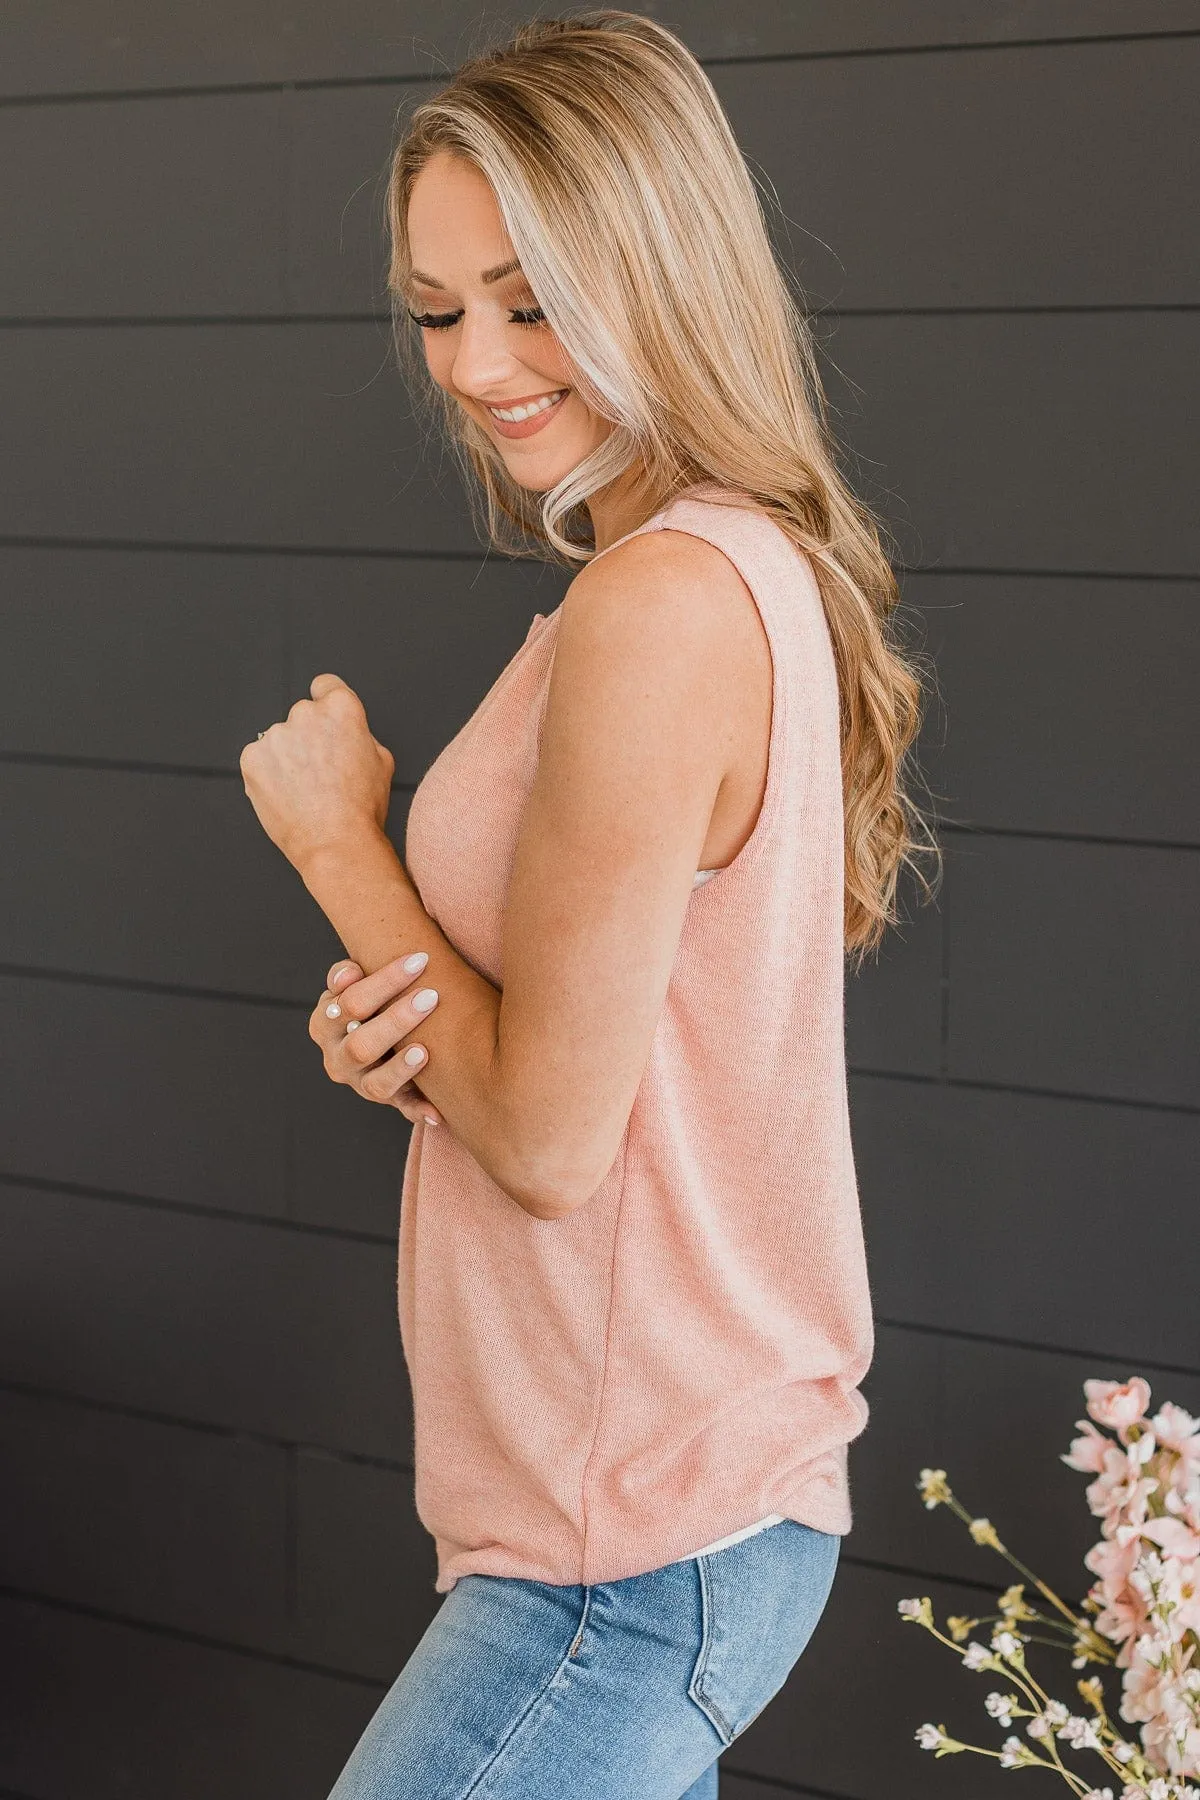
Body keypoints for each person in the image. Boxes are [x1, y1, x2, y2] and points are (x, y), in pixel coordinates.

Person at [239, 12, 937, 1796]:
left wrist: (340, 845)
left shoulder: (658, 607)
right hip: (650, 1514)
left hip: (628, 1545)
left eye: (530, 297)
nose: (476, 362)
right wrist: (414, 1023)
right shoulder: (722, 570)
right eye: (438, 307)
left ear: (656, 270)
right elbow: (589, 1057)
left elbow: (550, 1138)